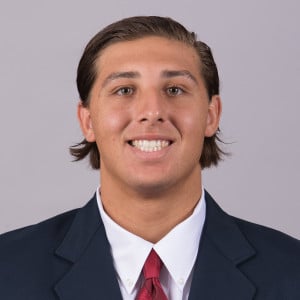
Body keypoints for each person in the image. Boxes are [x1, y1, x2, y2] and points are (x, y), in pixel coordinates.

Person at [0, 16, 299, 300]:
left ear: (211, 115)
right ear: (88, 120)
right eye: (125, 90)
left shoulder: (291, 271)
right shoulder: (8, 271)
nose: (152, 111)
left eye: (174, 89)